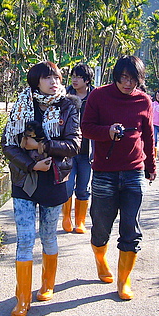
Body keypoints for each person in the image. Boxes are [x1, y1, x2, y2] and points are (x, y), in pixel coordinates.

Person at [1, 60, 81, 316]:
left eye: (56, 77)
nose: (54, 81)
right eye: (47, 78)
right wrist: (31, 166)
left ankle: (47, 284)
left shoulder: (68, 106)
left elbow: (74, 145)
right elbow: (8, 145)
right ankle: (22, 298)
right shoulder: (22, 105)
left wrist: (41, 148)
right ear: (36, 81)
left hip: (55, 179)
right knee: (25, 239)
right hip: (25, 180)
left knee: (48, 235)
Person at [81, 55, 156, 300]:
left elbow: (148, 136)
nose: (128, 83)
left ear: (139, 80)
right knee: (101, 226)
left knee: (131, 229)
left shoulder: (144, 100)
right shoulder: (99, 96)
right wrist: (108, 132)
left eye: (133, 79)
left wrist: (150, 166)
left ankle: (124, 281)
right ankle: (101, 259)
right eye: (124, 78)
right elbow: (86, 128)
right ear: (116, 76)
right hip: (104, 173)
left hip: (134, 173)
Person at [62, 63, 95, 234]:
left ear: (87, 80)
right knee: (67, 185)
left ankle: (80, 221)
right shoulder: (65, 96)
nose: (74, 79)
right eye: (73, 76)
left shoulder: (95, 97)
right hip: (68, 150)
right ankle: (66, 217)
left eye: (78, 77)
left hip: (87, 151)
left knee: (83, 188)